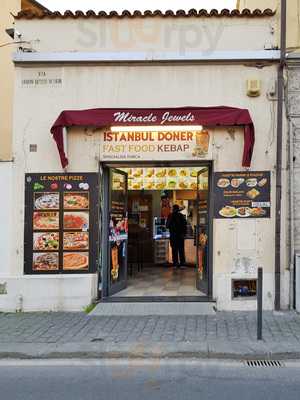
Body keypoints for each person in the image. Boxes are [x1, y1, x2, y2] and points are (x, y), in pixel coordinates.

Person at [166, 204, 187, 269]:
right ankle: (182, 264)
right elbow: (185, 226)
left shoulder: (170, 216)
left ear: (173, 209)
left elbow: (167, 225)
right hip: (180, 236)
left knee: (174, 250)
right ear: (178, 209)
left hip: (173, 236)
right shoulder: (181, 216)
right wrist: (183, 234)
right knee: (181, 250)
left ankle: (175, 264)